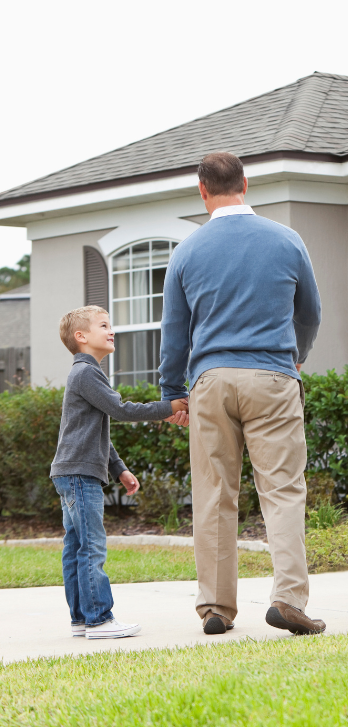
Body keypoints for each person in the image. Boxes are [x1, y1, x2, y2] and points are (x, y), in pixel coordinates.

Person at [159, 151, 324, 636]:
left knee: (213, 494)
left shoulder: (186, 252)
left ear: (203, 190)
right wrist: (298, 354)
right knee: (283, 491)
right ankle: (288, 597)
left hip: (210, 381)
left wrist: (174, 391)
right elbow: (310, 312)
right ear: (246, 184)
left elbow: (175, 332)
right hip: (272, 376)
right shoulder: (286, 240)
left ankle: (215, 607)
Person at [51, 306, 189, 639]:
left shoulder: (84, 374)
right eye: (104, 325)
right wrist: (166, 408)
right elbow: (120, 410)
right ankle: (99, 619)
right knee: (92, 546)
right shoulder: (86, 372)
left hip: (71, 472)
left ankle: (81, 618)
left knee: (76, 547)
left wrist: (119, 469)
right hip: (80, 475)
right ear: (81, 337)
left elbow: (96, 429)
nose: (111, 331)